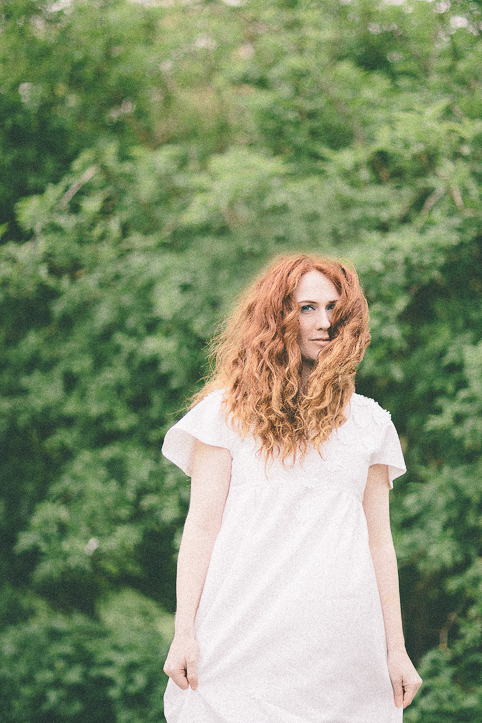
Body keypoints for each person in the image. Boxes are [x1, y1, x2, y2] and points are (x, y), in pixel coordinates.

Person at [161, 254, 422, 722]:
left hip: (341, 650)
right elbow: (200, 530)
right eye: (306, 308)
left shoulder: (369, 423)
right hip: (241, 639)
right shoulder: (225, 414)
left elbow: (380, 544)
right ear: (276, 316)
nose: (323, 323)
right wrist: (184, 632)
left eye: (333, 309)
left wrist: (396, 649)